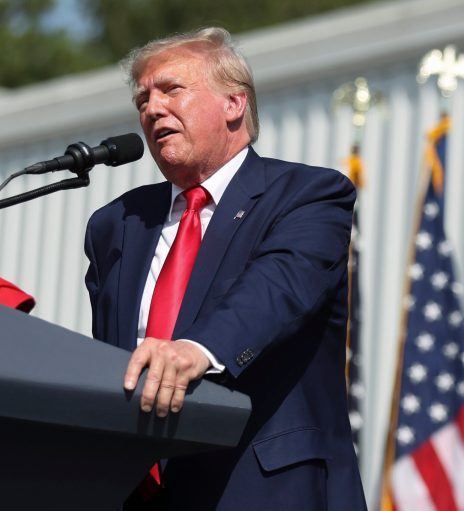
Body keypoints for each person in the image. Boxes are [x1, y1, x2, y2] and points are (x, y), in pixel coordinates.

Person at [84, 27, 367, 510]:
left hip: (263, 488)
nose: (152, 109)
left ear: (234, 103)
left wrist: (197, 349)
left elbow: (278, 289)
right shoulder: (117, 223)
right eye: (143, 99)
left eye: (171, 90)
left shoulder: (308, 195)